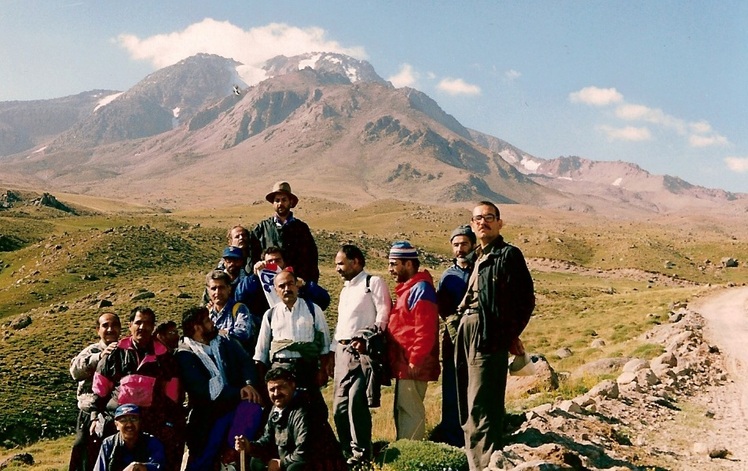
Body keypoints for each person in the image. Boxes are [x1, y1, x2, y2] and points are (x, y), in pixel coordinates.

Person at [456, 201, 535, 471]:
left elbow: (525, 300)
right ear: (472, 223)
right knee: (466, 402)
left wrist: (508, 334)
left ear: (500, 223)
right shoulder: (477, 257)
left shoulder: (508, 255)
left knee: (482, 404)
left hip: (488, 334)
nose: (483, 222)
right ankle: (475, 462)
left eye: (489, 217)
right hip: (466, 331)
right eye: (478, 218)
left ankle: (486, 465)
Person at [92, 307, 185, 471]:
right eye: (138, 322)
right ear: (130, 325)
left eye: (147, 323)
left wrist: (170, 422)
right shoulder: (115, 353)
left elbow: (173, 395)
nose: (142, 327)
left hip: (154, 420)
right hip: (119, 419)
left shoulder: (165, 357)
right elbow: (100, 389)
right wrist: (94, 417)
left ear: (153, 327)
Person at [175, 306, 264, 471]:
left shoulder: (225, 341)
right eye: (208, 320)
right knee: (204, 457)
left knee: (252, 407)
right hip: (207, 412)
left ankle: (230, 458)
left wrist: (249, 384)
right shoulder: (185, 354)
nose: (213, 323)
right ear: (197, 327)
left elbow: (246, 362)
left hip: (234, 403)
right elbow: (202, 390)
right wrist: (238, 392)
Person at [331, 244, 392, 466]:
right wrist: (331, 352)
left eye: (340, 263)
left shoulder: (372, 283)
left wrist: (370, 337)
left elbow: (384, 312)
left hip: (362, 352)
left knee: (357, 402)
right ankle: (347, 452)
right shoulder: (346, 289)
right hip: (341, 351)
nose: (337, 268)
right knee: (339, 406)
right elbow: (341, 324)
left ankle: (362, 453)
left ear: (355, 261)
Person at [234, 367, 346, 471]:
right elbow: (268, 439)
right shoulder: (275, 409)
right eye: (272, 390)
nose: (276, 394)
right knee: (257, 461)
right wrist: (250, 446)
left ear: (292, 385)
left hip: (318, 462)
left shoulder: (304, 410)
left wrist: (281, 463)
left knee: (295, 468)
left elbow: (305, 451)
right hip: (291, 457)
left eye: (281, 387)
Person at [386, 241, 440, 441]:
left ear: (408, 264)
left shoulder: (421, 290)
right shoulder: (409, 289)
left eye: (394, 264)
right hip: (405, 362)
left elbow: (425, 330)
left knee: (411, 411)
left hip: (413, 363)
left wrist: (415, 359)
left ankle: (411, 453)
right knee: (404, 409)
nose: (390, 269)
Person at [253, 270, 332, 401]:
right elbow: (261, 352)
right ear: (276, 290)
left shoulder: (313, 309)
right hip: (280, 370)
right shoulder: (270, 314)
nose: (287, 289)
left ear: (297, 285)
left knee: (314, 412)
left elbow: (325, 344)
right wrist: (263, 382)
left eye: (290, 284)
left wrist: (322, 371)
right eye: (282, 286)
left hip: (307, 370)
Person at [430, 225, 476, 447]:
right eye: (456, 245)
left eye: (464, 244)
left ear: (473, 245)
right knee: (452, 388)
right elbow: (444, 310)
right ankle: (452, 437)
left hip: (478, 340)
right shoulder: (448, 276)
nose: (460, 249)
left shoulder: (481, 270)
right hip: (452, 341)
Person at [69, 312, 122, 471]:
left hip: (114, 413)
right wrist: (99, 357)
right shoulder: (91, 350)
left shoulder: (125, 350)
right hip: (89, 412)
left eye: (114, 325)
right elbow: (75, 371)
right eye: (105, 325)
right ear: (97, 330)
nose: (110, 329)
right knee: (84, 453)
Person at [248, 181, 320, 283]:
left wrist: (305, 282)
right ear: (273, 203)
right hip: (268, 286)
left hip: (295, 285)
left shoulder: (301, 229)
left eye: (284, 200)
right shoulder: (262, 228)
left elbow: (311, 259)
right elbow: (253, 257)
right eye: (277, 200)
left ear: (290, 202)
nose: (280, 203)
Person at [237, 246, 330, 320]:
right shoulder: (256, 281)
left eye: (277, 260)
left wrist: (305, 286)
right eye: (269, 261)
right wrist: (255, 276)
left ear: (284, 263)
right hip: (266, 323)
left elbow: (324, 301)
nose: (274, 264)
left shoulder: (295, 281)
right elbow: (240, 297)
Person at [93, 403, 166, 471]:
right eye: (123, 420)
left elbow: (159, 466)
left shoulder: (152, 443)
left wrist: (143, 467)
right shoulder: (108, 444)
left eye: (133, 419)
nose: (129, 425)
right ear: (116, 425)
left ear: (140, 422)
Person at [206, 269, 254, 350]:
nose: (217, 292)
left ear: (229, 288)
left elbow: (243, 333)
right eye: (213, 289)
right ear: (208, 290)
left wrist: (218, 333)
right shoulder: (206, 313)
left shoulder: (239, 309)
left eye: (221, 288)